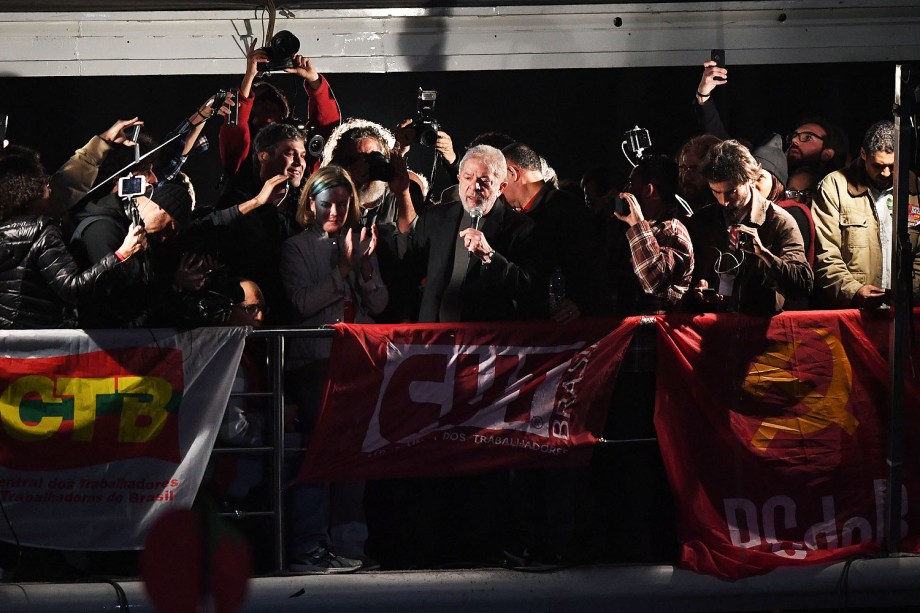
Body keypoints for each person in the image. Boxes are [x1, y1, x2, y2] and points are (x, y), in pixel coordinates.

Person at [279, 165, 387, 573]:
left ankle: (350, 545)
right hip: (314, 363)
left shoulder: (358, 239)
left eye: (343, 206)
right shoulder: (296, 247)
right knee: (319, 454)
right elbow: (301, 303)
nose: (335, 214)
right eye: (327, 205)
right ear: (311, 204)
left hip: (357, 363)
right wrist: (342, 269)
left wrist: (365, 268)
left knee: (355, 457)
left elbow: (378, 305)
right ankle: (311, 546)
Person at [0, 147, 145, 329]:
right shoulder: (41, 231)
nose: (49, 186)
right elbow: (73, 289)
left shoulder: (4, 230)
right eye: (43, 181)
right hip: (38, 341)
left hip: (8, 342)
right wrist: (121, 255)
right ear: (29, 189)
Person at [398, 144, 536, 323]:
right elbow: (409, 273)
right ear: (459, 179)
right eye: (468, 177)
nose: (474, 186)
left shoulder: (521, 228)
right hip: (432, 337)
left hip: (485, 340)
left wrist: (490, 256)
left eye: (484, 181)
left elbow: (529, 288)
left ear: (501, 187)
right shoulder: (435, 217)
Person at [687, 139, 812, 315]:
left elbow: (801, 284)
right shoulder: (703, 220)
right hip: (714, 328)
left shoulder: (779, 221)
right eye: (716, 192)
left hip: (759, 330)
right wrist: (701, 285)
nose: (724, 201)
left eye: (731, 192)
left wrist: (763, 253)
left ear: (749, 179)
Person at [811, 120, 920, 308]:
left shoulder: (916, 189)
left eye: (893, 165)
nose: (886, 173)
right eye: (878, 165)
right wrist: (853, 291)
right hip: (854, 312)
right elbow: (826, 254)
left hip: (906, 315)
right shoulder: (834, 187)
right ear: (863, 154)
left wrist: (912, 293)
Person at [693, 59, 848, 178]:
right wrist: (704, 96)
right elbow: (724, 148)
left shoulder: (835, 191)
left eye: (807, 138)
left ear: (827, 153)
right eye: (794, 136)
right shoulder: (767, 175)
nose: (794, 141)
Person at [69, 179, 192, 327]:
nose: (164, 237)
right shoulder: (102, 229)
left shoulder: (137, 231)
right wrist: (172, 285)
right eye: (169, 227)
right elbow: (114, 300)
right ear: (159, 207)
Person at [501, 141, 600, 321]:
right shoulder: (518, 215)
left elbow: (593, 262)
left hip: (563, 327)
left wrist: (579, 301)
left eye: (501, 181)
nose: (499, 189)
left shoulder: (567, 209)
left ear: (513, 173)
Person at [219, 40, 340, 186]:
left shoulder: (299, 152)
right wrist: (249, 76)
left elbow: (328, 126)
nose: (267, 103)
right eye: (259, 100)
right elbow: (236, 128)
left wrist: (313, 78)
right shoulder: (243, 157)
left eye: (272, 98)